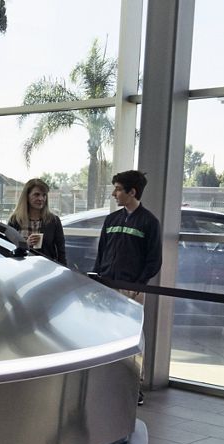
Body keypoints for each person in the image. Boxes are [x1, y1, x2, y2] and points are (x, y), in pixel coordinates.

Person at [93, 169, 161, 405]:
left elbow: (154, 259)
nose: (114, 194)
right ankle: (105, 383)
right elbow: (101, 252)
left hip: (131, 290)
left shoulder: (149, 222)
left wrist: (138, 285)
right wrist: (98, 279)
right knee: (104, 335)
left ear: (132, 192)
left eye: (119, 189)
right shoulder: (111, 220)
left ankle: (134, 388)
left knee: (131, 339)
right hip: (107, 287)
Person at [7, 178, 66, 265]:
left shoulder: (53, 221)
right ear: (27, 196)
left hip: (46, 269)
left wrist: (63, 272)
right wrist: (26, 244)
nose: (41, 198)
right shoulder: (15, 220)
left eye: (44, 195)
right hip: (20, 268)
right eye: (36, 194)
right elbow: (7, 247)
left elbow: (61, 251)